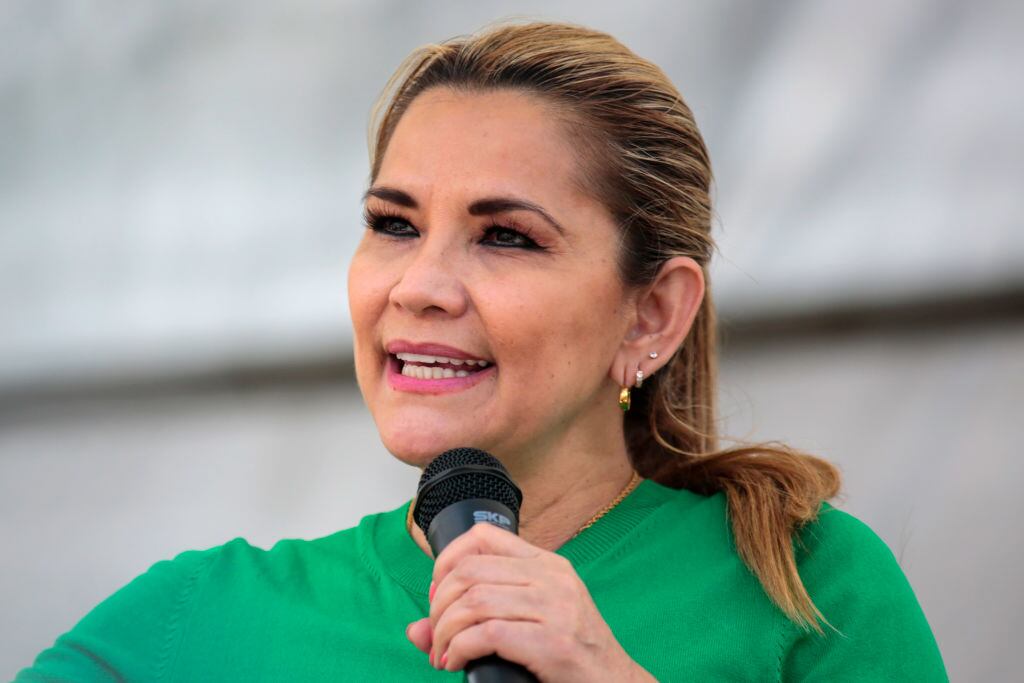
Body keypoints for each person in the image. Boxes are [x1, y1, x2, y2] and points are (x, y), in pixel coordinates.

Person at [17, 21, 947, 682]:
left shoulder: (808, 584)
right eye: (392, 224)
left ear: (651, 317)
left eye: (505, 236)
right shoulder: (210, 616)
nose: (418, 283)